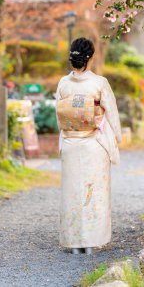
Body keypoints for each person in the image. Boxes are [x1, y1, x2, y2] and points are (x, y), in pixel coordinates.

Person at [55, 37, 122, 255]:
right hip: (94, 142)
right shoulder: (99, 83)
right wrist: (118, 137)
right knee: (94, 192)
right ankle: (92, 243)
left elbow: (59, 116)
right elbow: (111, 112)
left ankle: (74, 244)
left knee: (72, 193)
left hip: (70, 142)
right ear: (89, 58)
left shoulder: (63, 83)